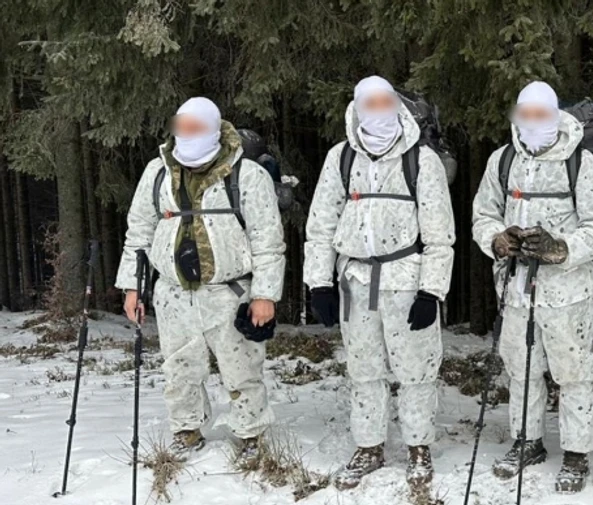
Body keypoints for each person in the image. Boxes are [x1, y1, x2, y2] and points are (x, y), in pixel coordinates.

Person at [303, 76, 455, 490]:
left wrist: (431, 291)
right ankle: (368, 446)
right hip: (355, 282)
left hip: (406, 280)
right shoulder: (341, 158)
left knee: (416, 371)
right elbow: (320, 226)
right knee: (364, 370)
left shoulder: (421, 161)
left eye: (385, 101)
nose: (378, 109)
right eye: (369, 102)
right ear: (357, 107)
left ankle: (418, 447)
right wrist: (319, 283)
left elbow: (441, 235)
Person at [116, 97, 286, 463]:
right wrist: (133, 286)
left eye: (195, 128)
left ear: (213, 128)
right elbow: (139, 233)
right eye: (182, 127)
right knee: (178, 368)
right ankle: (186, 429)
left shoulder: (248, 175)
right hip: (173, 292)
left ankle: (251, 434)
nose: (186, 135)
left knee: (241, 368)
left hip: (230, 291)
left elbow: (268, 240)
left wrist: (266, 294)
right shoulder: (157, 172)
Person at [471, 81, 593, 493]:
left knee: (572, 375)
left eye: (541, 115)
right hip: (516, 290)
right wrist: (497, 239)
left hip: (567, 294)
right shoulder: (502, 161)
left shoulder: (580, 164)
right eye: (526, 114)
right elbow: (483, 214)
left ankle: (576, 453)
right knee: (522, 371)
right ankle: (527, 441)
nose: (533, 122)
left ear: (555, 116)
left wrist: (560, 248)